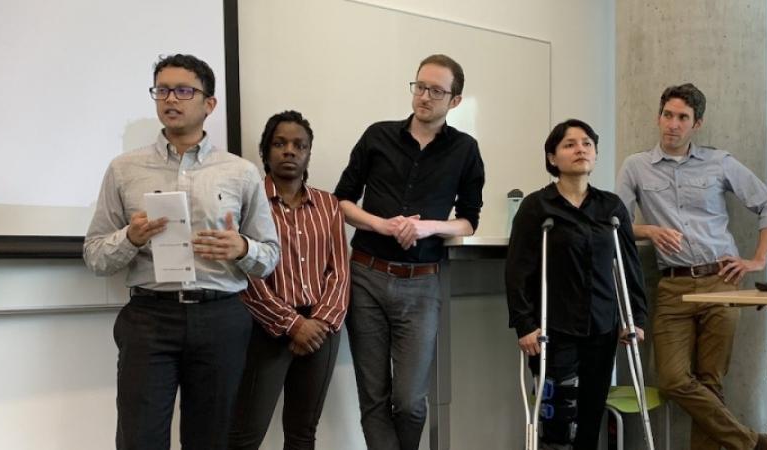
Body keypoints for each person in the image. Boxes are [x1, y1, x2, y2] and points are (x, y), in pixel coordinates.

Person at [83, 54, 280, 450]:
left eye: (183, 90)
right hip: (149, 318)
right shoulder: (124, 169)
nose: (170, 98)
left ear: (209, 104)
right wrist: (132, 237)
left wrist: (242, 247)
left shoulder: (239, 172)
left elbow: (269, 255)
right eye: (162, 90)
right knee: (140, 439)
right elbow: (95, 253)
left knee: (211, 440)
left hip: (220, 316)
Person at [616, 83, 767, 450]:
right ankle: (752, 443)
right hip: (673, 286)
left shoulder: (719, 162)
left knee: (710, 381)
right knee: (672, 379)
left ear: (697, 123)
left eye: (683, 118)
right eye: (668, 115)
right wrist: (649, 230)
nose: (673, 124)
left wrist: (758, 259)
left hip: (720, 281)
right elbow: (616, 223)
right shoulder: (636, 166)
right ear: (658, 117)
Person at [333, 54, 485, 450]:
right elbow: (342, 201)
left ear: (454, 100)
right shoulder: (377, 136)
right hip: (365, 276)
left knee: (410, 401)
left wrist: (426, 227)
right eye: (420, 86)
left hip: (421, 284)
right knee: (374, 398)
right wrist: (382, 224)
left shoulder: (465, 149)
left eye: (437, 91)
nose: (425, 97)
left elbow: (469, 220)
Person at [506, 119, 648, 450]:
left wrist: (635, 319)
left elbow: (628, 266)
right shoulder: (536, 207)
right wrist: (524, 324)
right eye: (569, 144)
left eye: (586, 143)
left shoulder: (610, 207)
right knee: (558, 415)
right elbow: (518, 271)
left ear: (596, 154)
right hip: (552, 328)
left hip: (602, 326)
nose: (580, 149)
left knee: (590, 412)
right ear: (553, 157)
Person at [228, 111, 349, 450]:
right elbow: (245, 274)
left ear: (309, 153)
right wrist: (293, 325)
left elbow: (339, 271)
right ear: (265, 151)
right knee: (245, 433)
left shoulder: (329, 205)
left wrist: (319, 323)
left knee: (302, 433)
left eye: (300, 145)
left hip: (321, 331)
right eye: (280, 143)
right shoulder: (247, 203)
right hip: (265, 329)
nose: (290, 151)